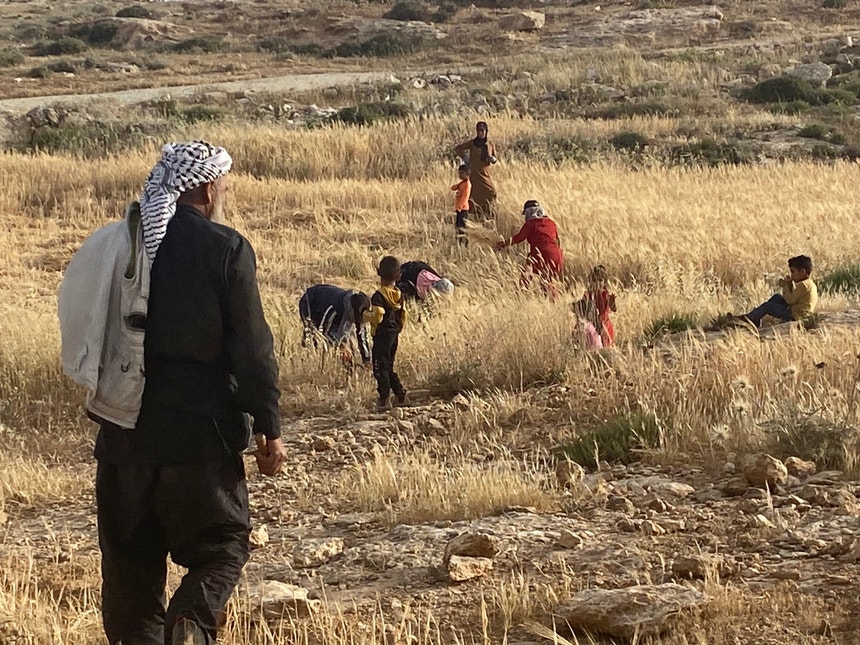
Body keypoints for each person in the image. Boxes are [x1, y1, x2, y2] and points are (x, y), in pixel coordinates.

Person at [90, 141, 286, 645]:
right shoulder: (225, 248)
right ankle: (192, 624)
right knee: (222, 548)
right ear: (207, 189)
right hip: (200, 440)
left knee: (131, 580)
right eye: (223, 184)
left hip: (123, 441)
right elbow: (252, 349)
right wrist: (269, 427)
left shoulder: (115, 246)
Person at [496, 199, 564, 299]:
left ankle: (520, 295)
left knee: (527, 273)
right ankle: (554, 301)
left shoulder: (531, 224)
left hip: (541, 253)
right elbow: (557, 240)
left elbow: (518, 238)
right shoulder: (551, 223)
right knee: (547, 281)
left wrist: (502, 244)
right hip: (557, 255)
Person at [367, 256, 408, 410]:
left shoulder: (378, 296)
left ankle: (384, 399)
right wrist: (397, 329)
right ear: (399, 275)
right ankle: (400, 394)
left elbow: (378, 315)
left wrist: (365, 315)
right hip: (394, 334)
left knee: (379, 366)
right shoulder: (399, 294)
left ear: (380, 274)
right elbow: (403, 315)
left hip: (382, 335)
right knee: (388, 365)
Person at [735, 255, 818, 328]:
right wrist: (790, 286)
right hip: (800, 312)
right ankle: (756, 316)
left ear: (802, 272)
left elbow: (790, 300)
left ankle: (748, 319)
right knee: (777, 297)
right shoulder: (810, 284)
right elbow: (796, 298)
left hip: (795, 315)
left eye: (793, 271)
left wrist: (785, 286)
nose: (791, 275)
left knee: (767, 306)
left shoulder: (803, 285)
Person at [299, 284, 372, 367]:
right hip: (311, 302)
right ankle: (307, 363)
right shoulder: (335, 308)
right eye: (357, 319)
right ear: (351, 311)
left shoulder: (360, 310)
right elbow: (322, 332)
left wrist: (367, 360)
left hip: (332, 309)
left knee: (342, 345)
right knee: (313, 340)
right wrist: (340, 348)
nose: (358, 321)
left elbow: (362, 335)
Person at [454, 121, 497, 220]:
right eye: (478, 130)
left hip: (484, 173)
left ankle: (489, 214)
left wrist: (493, 159)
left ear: (486, 131)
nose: (480, 133)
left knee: (491, 192)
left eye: (482, 130)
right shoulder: (472, 143)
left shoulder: (490, 144)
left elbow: (495, 157)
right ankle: (473, 215)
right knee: (473, 194)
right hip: (473, 173)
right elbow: (458, 148)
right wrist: (465, 157)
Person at [584, 265, 617, 347]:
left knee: (605, 347)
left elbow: (614, 309)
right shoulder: (588, 294)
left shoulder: (605, 294)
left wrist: (612, 303)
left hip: (605, 325)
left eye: (600, 280)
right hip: (591, 324)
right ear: (591, 281)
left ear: (604, 282)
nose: (597, 283)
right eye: (594, 280)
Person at [451, 164, 471, 246]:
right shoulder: (462, 183)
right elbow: (453, 187)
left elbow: (465, 197)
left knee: (462, 227)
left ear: (467, 173)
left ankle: (465, 242)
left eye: (462, 173)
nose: (460, 175)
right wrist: (458, 186)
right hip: (459, 209)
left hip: (463, 209)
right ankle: (459, 241)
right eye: (459, 173)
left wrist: (459, 207)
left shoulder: (467, 185)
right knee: (458, 226)